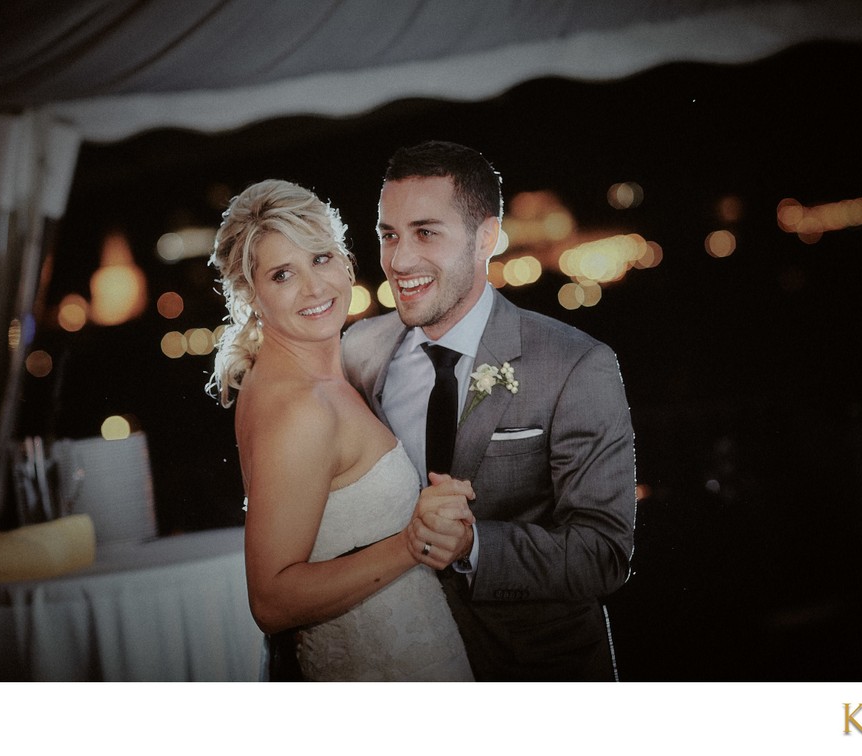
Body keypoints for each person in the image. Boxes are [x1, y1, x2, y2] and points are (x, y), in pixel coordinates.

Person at [342, 141, 637, 681]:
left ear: (485, 237)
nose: (399, 260)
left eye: (425, 232)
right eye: (389, 235)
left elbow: (603, 552)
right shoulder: (359, 354)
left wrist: (476, 546)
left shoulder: (576, 365)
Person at [207, 178, 475, 681]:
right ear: (250, 294)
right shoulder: (300, 408)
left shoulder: (316, 374)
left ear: (345, 258)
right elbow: (271, 600)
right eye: (283, 274)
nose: (314, 288)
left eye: (321, 258)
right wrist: (411, 542)